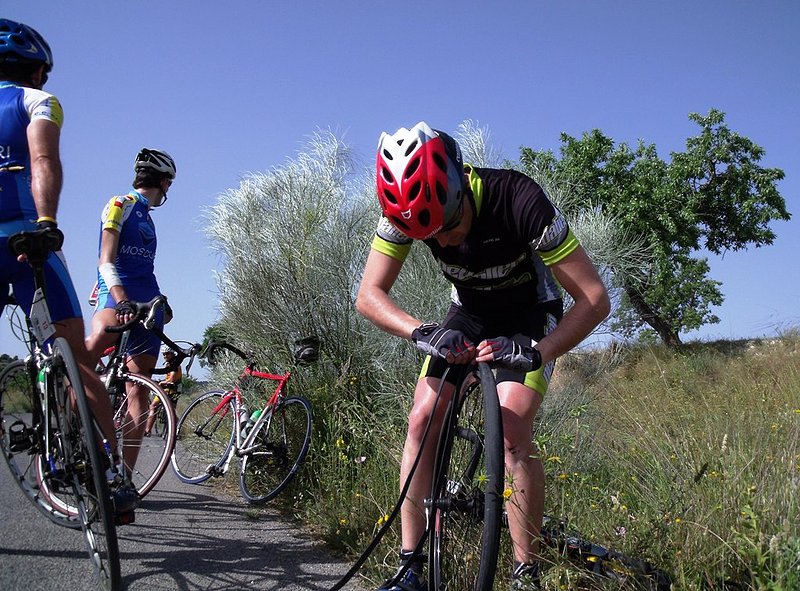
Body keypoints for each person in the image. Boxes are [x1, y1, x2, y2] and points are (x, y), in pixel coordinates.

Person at [355, 122, 610, 590]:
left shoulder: (518, 199)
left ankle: (525, 571)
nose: (445, 241)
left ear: (457, 190)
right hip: (469, 313)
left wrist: (538, 352)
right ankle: (410, 564)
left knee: (513, 431)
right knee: (422, 420)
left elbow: (594, 299)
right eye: (428, 234)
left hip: (529, 314)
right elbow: (369, 295)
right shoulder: (404, 211)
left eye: (448, 225)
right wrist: (421, 332)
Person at [0, 19, 139, 514]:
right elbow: (42, 160)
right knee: (78, 362)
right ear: (37, 70)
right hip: (26, 238)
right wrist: (45, 221)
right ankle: (113, 473)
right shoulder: (37, 102)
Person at [85, 147, 176, 482]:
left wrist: (159, 303)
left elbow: (143, 270)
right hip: (118, 298)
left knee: (138, 390)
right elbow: (106, 261)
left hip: (143, 303)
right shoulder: (119, 204)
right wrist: (122, 299)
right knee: (85, 360)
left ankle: (122, 477)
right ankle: (86, 444)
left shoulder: (146, 217)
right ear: (164, 182)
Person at [143, 344, 182, 436]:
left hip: (171, 390)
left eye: (167, 354)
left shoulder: (174, 364)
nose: (165, 356)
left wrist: (161, 383)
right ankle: (176, 430)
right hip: (174, 390)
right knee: (170, 410)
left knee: (154, 407)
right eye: (164, 354)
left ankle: (148, 430)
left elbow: (172, 379)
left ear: (172, 354)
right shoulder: (173, 363)